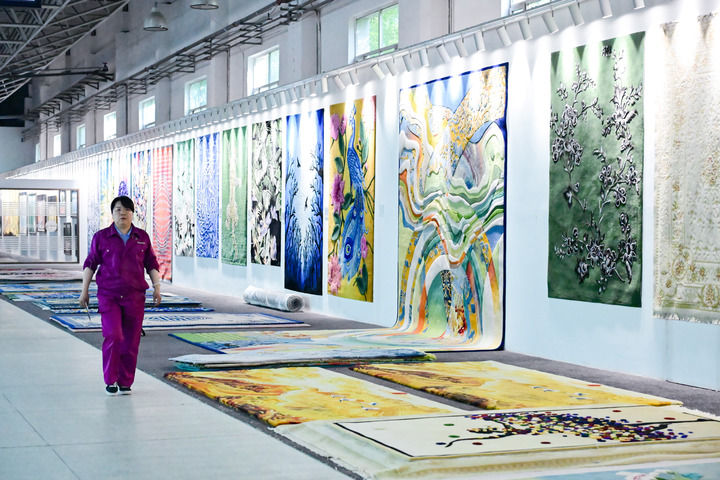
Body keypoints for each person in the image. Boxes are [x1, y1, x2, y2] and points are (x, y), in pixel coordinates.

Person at [79, 195, 162, 395]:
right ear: (112, 213)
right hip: (109, 296)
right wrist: (84, 291)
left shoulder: (142, 237)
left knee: (131, 340)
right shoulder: (101, 237)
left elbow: (151, 264)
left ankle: (125, 381)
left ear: (132, 213)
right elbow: (91, 264)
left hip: (135, 297)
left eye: (126, 210)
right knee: (113, 335)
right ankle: (110, 379)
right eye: (118, 209)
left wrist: (157, 287)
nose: (122, 213)